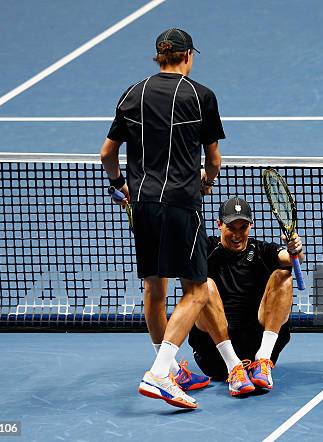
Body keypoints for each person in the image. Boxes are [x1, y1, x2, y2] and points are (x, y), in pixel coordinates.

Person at [100, 28, 239, 409]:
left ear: (159, 56)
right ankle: (160, 372)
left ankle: (172, 367)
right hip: (181, 204)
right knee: (195, 289)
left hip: (142, 204)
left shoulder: (133, 93)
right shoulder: (201, 96)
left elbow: (107, 154)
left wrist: (118, 187)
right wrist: (206, 183)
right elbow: (213, 161)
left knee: (154, 289)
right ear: (188, 56)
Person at [188, 196, 304, 391]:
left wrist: (295, 249)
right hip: (214, 354)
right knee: (203, 285)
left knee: (283, 276)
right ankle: (233, 366)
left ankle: (263, 360)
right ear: (219, 225)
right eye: (231, 227)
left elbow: (290, 258)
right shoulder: (206, 248)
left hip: (256, 344)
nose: (237, 234)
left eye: (243, 227)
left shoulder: (262, 250)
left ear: (251, 225)